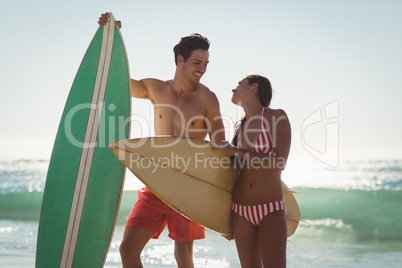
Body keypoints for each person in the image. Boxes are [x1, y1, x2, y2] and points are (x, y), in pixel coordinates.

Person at [98, 13, 225, 268]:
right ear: (180, 60)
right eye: (197, 62)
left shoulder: (207, 99)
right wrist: (110, 37)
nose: (202, 68)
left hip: (189, 187)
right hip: (155, 184)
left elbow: (220, 145)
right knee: (127, 250)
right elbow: (119, 81)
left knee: (183, 257)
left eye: (206, 63)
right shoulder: (157, 89)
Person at [214, 74, 291, 268]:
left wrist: (237, 151)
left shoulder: (276, 117)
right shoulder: (240, 127)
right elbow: (233, 173)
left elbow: (279, 162)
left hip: (270, 208)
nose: (234, 89)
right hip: (240, 210)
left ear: (254, 87)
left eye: (239, 84)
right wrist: (224, 217)